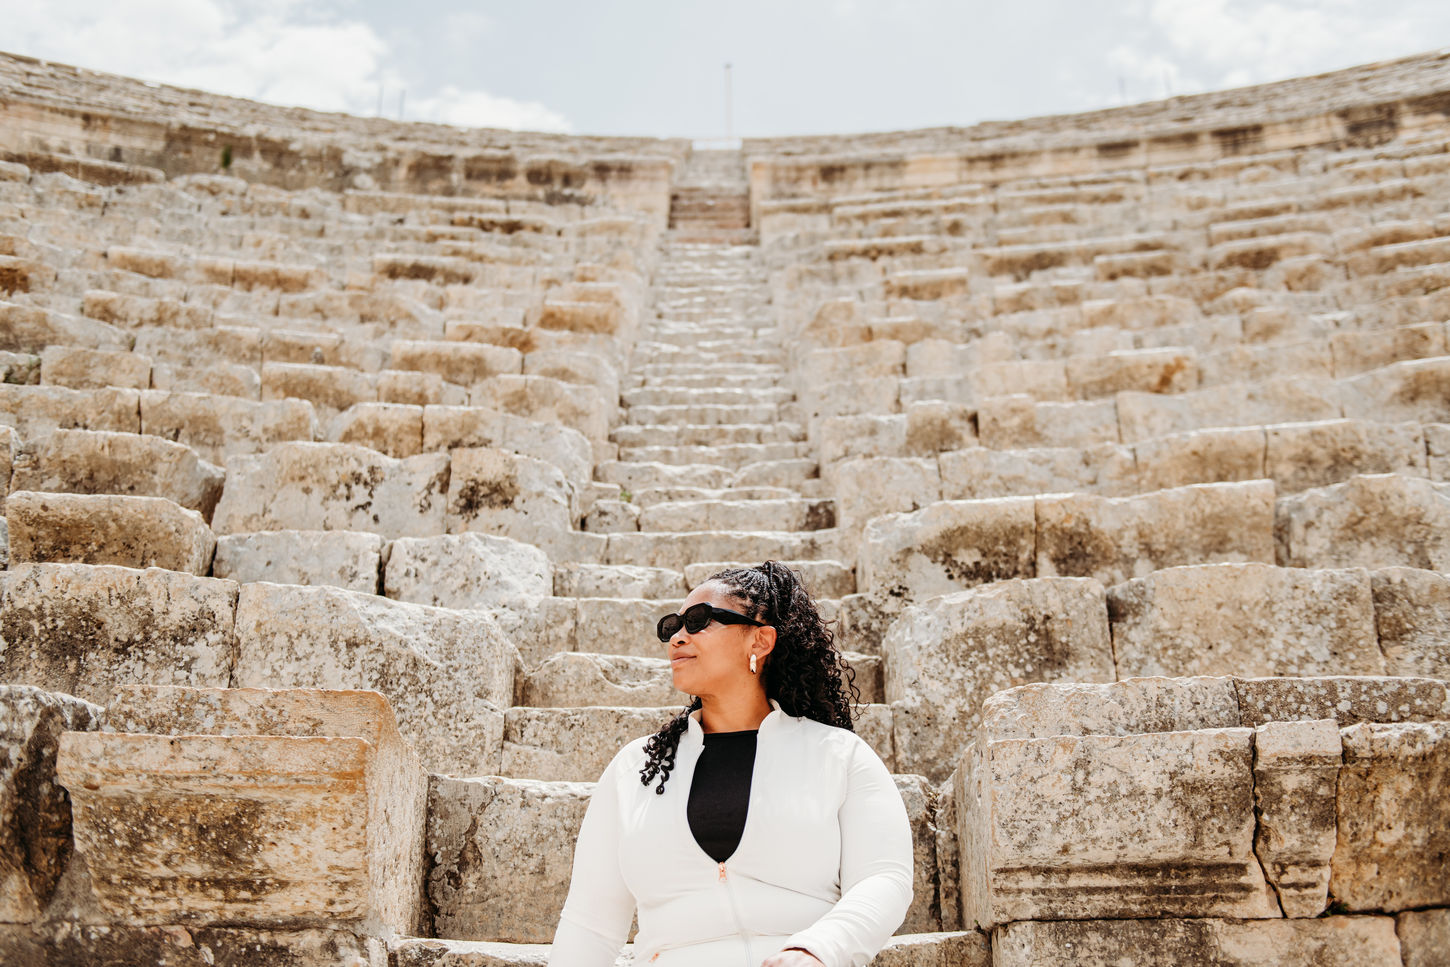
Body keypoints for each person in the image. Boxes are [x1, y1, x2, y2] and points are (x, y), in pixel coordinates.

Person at [548, 560, 913, 967]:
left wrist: (818, 950)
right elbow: (589, 924)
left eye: (699, 620)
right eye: (673, 626)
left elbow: (884, 879)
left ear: (759, 641)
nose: (677, 638)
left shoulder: (839, 754)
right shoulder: (634, 767)